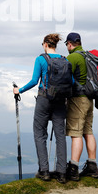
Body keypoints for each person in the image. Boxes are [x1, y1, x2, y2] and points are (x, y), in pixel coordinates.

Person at [13, 33, 70, 184]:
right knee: (60, 135)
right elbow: (71, 81)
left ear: (45, 44)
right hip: (60, 101)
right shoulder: (64, 60)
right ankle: (62, 173)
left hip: (44, 98)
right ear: (55, 44)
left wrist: (20, 90)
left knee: (39, 134)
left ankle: (44, 171)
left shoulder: (40, 59)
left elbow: (34, 81)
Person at [65, 32, 98, 181]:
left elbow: (65, 77)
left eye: (67, 44)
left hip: (78, 99)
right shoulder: (87, 56)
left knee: (76, 133)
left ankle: (73, 168)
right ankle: (92, 166)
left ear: (70, 44)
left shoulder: (73, 57)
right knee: (88, 131)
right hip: (90, 99)